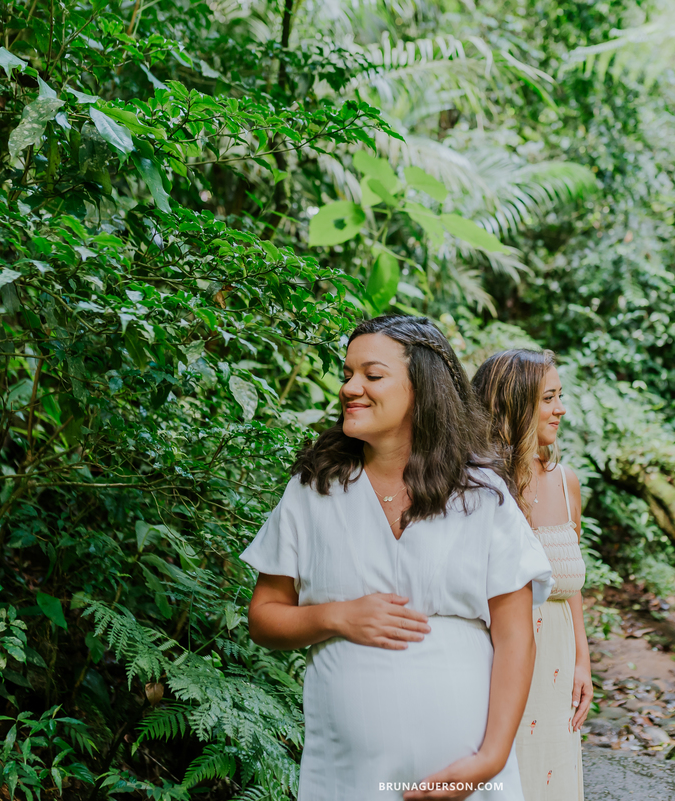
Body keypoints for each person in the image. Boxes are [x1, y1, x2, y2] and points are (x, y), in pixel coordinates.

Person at [241, 316, 554, 801]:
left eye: (372, 375)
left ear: (421, 388)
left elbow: (516, 637)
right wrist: (339, 616)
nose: (350, 388)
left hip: (465, 772)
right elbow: (263, 619)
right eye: (347, 374)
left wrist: (489, 760)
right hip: (349, 777)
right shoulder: (315, 488)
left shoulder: (482, 493)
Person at [472, 349, 590, 801]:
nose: (561, 409)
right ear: (514, 404)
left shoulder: (567, 482)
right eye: (548, 398)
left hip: (557, 663)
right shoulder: (478, 485)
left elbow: (570, 581)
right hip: (496, 663)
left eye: (560, 396)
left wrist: (582, 657)